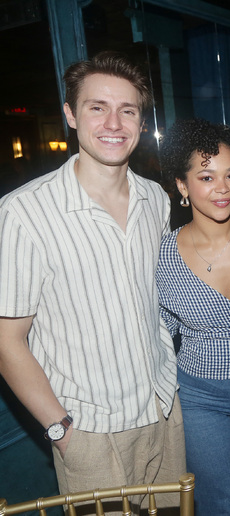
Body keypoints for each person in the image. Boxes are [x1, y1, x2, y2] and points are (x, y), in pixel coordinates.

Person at [0, 52, 185, 513]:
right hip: (89, 429)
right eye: (96, 107)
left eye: (128, 110)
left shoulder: (155, 199)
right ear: (70, 114)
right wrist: (62, 432)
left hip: (163, 410)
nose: (114, 122)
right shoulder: (24, 213)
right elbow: (7, 341)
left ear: (142, 123)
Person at [156, 118, 230, 515]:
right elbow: (160, 331)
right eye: (206, 177)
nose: (222, 188)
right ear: (182, 185)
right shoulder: (163, 254)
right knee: (222, 503)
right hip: (200, 398)